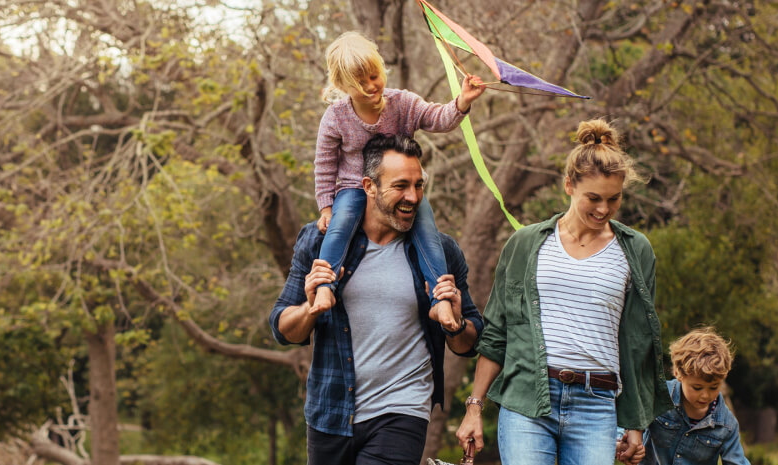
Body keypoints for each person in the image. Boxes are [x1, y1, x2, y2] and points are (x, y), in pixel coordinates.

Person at [455, 119, 673, 465]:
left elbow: (637, 343)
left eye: (614, 199)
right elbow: (497, 333)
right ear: (569, 185)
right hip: (528, 397)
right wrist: (475, 407)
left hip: (597, 403)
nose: (603, 209)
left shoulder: (636, 250)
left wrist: (634, 421)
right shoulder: (525, 244)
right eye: (594, 198)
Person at [271, 133, 483, 465]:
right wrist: (310, 310)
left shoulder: (440, 253)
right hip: (330, 412)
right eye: (400, 186)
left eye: (418, 185)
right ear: (369, 186)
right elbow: (283, 329)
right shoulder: (319, 244)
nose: (412, 196)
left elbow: (469, 343)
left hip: (403, 411)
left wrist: (456, 325)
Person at [309, 31, 487, 331]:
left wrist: (462, 101)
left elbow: (436, 118)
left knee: (428, 232)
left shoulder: (401, 103)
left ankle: (440, 300)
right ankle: (325, 285)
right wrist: (326, 206)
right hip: (354, 186)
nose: (370, 86)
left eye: (374, 75)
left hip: (401, 188)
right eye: (359, 83)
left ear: (381, 68)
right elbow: (325, 164)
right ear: (342, 86)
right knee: (340, 226)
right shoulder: (336, 117)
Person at [643, 328, 750, 465]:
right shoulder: (658, 396)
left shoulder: (726, 425)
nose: (705, 395)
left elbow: (737, 462)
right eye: (697, 388)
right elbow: (631, 418)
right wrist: (623, 440)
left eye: (714, 387)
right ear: (678, 373)